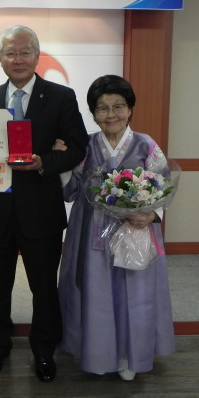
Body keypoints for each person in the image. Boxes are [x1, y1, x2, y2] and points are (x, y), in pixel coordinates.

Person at [0, 25, 89, 382]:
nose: (18, 59)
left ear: (37, 56)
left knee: (43, 286)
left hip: (41, 210)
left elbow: (78, 146)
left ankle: (43, 350)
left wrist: (44, 163)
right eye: (11, 53)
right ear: (1, 59)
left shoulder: (60, 96)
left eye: (25, 52)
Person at [57, 74, 175, 381]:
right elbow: (70, 191)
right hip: (90, 232)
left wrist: (152, 214)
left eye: (118, 106)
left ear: (130, 109)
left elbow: (161, 184)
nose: (111, 115)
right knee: (95, 294)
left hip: (135, 230)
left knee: (133, 294)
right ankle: (98, 354)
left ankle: (129, 356)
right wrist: (61, 161)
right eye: (103, 108)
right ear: (93, 113)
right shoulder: (84, 145)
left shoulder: (146, 145)